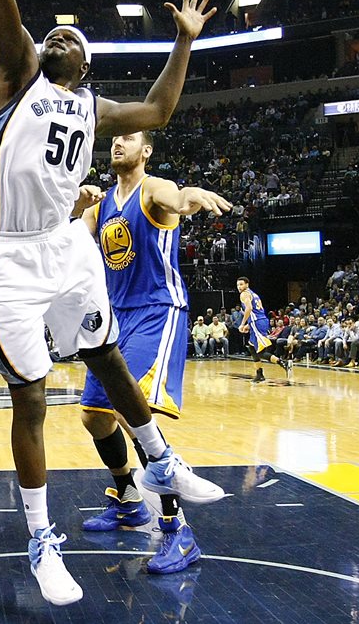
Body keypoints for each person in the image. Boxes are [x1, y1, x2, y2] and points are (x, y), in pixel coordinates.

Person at [0, 0, 223, 606]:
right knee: (32, 398)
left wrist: (183, 40)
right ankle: (42, 540)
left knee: (108, 357)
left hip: (64, 248)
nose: (58, 37)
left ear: (85, 66)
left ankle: (157, 457)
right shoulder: (16, 71)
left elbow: (159, 109)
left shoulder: (96, 107)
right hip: (10, 255)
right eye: (53, 34)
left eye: (73, 40)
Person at [77, 132, 231, 575]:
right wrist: (70, 198)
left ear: (146, 151)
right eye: (115, 138)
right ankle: (127, 499)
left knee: (133, 411)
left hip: (156, 310)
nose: (118, 142)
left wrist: (190, 196)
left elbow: (176, 197)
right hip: (113, 316)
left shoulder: (153, 188)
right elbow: (64, 233)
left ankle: (177, 531)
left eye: (129, 137)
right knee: (94, 416)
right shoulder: (102, 202)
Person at [236, 277, 290, 383]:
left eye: (241, 284)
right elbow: (256, 312)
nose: (239, 287)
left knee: (260, 352)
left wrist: (242, 324)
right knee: (252, 347)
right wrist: (249, 325)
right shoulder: (253, 294)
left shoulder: (244, 294)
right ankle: (259, 374)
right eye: (238, 285)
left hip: (257, 323)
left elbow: (249, 308)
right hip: (259, 321)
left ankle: (282, 362)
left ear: (247, 284)